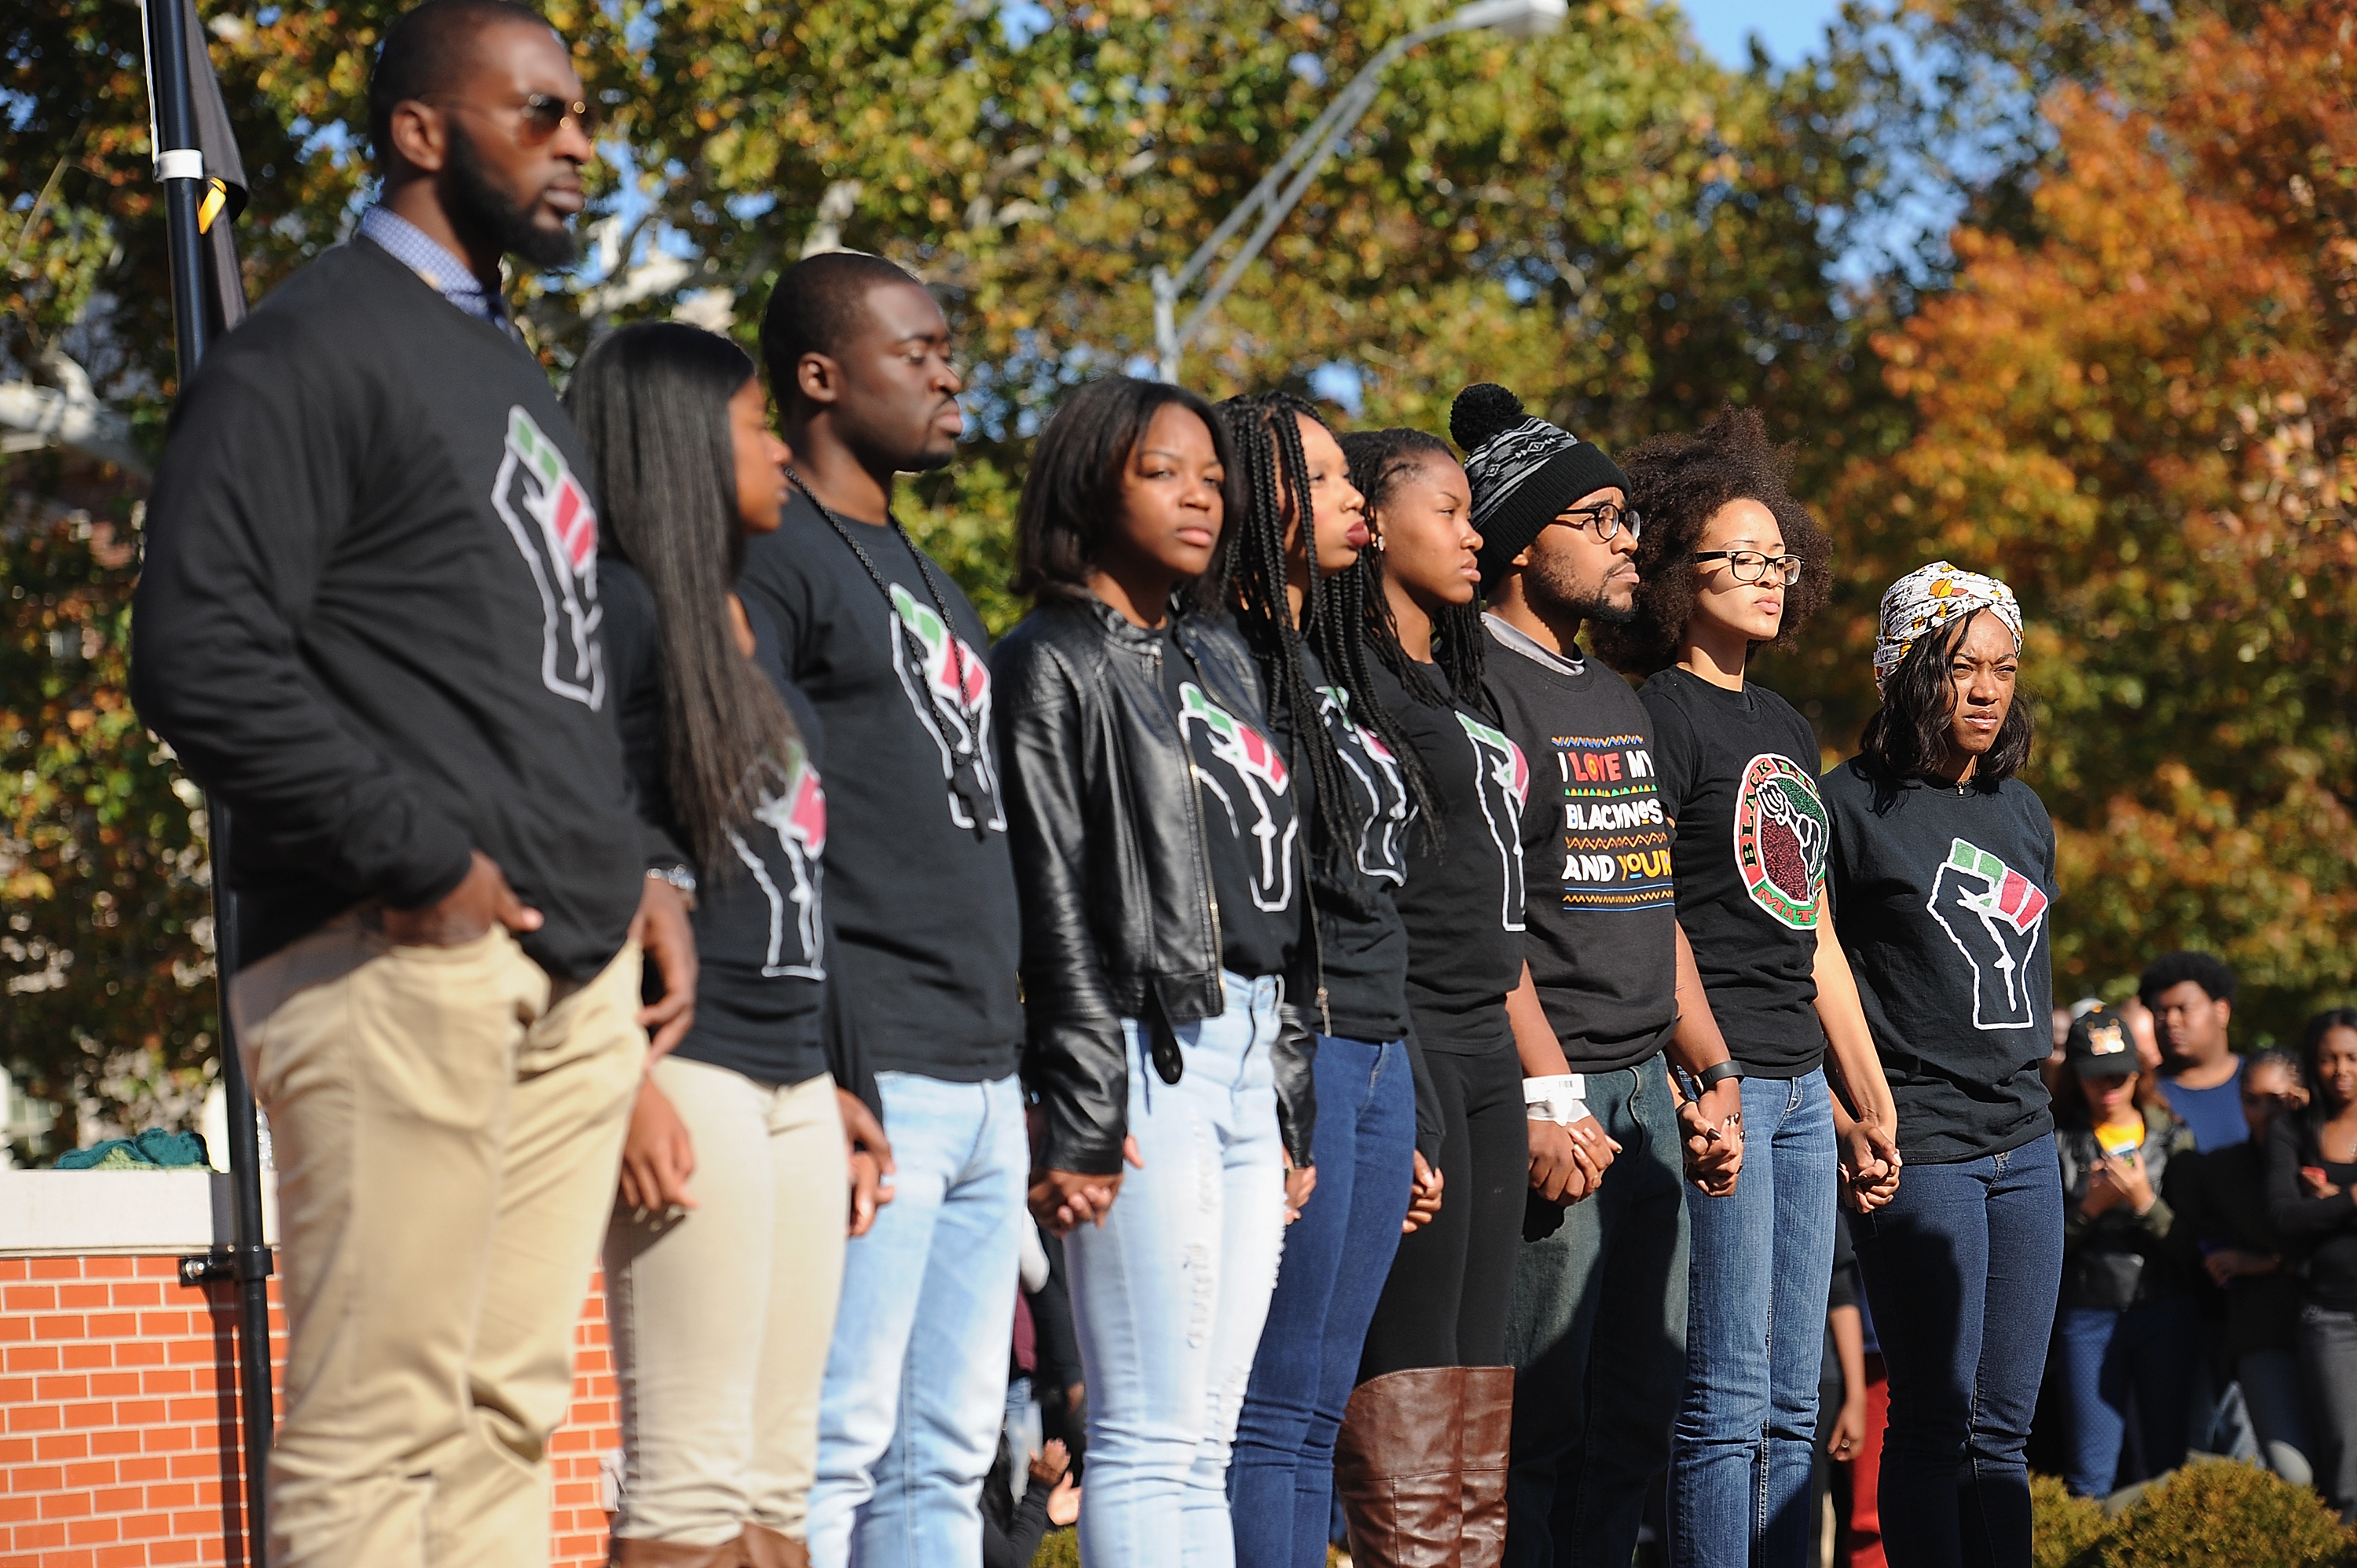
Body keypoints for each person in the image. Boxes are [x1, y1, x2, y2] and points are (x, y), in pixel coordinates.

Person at [129, 5, 699, 1562]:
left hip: (564, 977)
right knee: (381, 1433)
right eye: (540, 112)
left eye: (582, 111)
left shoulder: (500, 364)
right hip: (393, 956)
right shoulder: (310, 348)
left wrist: (639, 862)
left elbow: (544, 674)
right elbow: (197, 653)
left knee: (509, 1418)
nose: (580, 140)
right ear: (421, 131)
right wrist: (424, 861)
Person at [567, 322, 896, 1566]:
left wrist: (839, 1083)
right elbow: (583, 848)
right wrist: (626, 1077)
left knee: (775, 1483)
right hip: (687, 1070)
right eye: (756, 424)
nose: (777, 447)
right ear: (679, 444)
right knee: (689, 1484)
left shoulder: (758, 651)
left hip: (797, 1085)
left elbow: (804, 890)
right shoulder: (618, 614)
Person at [994, 376, 1318, 1568]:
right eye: (1162, 471)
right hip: (1145, 1052)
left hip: (1245, 1052)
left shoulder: (1224, 658)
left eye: (1214, 477)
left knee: (1207, 1443)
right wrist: (1083, 1102)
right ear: (1091, 480)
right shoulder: (1047, 661)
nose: (1200, 496)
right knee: (1144, 1434)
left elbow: (1279, 894)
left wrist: (1289, 1089)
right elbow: (1056, 904)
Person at [1420, 383, 1742, 1568]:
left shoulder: (1615, 694)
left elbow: (1652, 901)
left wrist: (1709, 1071)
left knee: (1635, 1427)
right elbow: (1480, 916)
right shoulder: (1473, 691)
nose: (1629, 541)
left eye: (1624, 519)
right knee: (1531, 1435)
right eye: (1598, 519)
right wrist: (1549, 1092)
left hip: (1648, 1105)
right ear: (1515, 542)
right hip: (1543, 1105)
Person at [747, 252, 1031, 1568]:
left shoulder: (921, 569)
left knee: (944, 1460)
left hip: (981, 1069)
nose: (950, 371)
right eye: (915, 349)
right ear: (819, 377)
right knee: (833, 1445)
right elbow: (769, 825)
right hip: (878, 1062)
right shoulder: (775, 557)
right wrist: (832, 1050)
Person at [1592, 408, 1901, 1566]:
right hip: (1714, 1089)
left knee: (1791, 1404)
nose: (1769, 580)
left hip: (1798, 1096)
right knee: (1721, 1406)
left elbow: (1811, 922)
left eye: (1781, 561)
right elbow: (1655, 911)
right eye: (1740, 559)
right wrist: (1707, 1068)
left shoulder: (1783, 721)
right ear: (1677, 569)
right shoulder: (1656, 712)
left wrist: (1866, 1095)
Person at [1218, 394, 1439, 1568]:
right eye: (1325, 476)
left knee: (1319, 1405)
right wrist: (1294, 1086)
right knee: (1272, 1402)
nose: (1355, 494)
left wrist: (1402, 1106)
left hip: (1379, 1055)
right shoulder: (1229, 660)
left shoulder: (1334, 660)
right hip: (1301, 1047)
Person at [1820, 562, 2062, 1568]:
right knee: (1933, 1419)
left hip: (2028, 1144)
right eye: (1963, 665)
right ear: (1910, 667)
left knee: (2004, 1438)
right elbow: (1808, 969)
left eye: (2004, 667)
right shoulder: (1848, 803)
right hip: (1921, 1146)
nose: (1987, 689)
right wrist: (1852, 1121)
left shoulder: (2025, 810)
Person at [1326, 410, 1529, 1567]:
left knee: (1474, 1374)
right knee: (1405, 1369)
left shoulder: (1456, 678)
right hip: (1408, 1045)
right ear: (1373, 516)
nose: (1471, 533)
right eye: (1446, 510)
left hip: (1489, 1045)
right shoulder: (1343, 682)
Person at [2051, 1005, 2201, 1498]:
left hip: (2163, 1308)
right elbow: (2043, 1251)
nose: (2109, 1087)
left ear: (2139, 1073)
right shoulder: (2057, 1142)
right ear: (2075, 1077)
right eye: (2096, 1077)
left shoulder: (2172, 1138)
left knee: (2166, 1464)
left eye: (2119, 1075)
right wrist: (2089, 1209)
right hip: (2087, 1312)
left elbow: (2192, 1247)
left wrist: (2144, 1204)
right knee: (2090, 1472)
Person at [2175, 1047, 2315, 1486]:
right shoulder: (2223, 1170)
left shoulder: (2325, 1161)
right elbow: (2204, 1245)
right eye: (2253, 1100)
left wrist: (2266, 1261)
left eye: (2279, 1099)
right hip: (2260, 1332)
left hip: (2329, 1321)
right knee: (2293, 1473)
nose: (2266, 1112)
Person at [2267, 1009, 2357, 1522]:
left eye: (2351, 1057)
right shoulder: (2293, 1131)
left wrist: (2328, 1201)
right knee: (2347, 1468)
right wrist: (2351, 1200)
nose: (2340, 1069)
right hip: (2331, 1320)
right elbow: (2283, 1217)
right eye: (2327, 1058)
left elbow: (2307, 1217)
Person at [2142, 953, 2247, 1152]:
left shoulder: (2258, 1085)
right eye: (2160, 1012)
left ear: (2221, 1011)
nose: (2171, 1021)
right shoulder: (2145, 1092)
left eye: (2184, 1009)